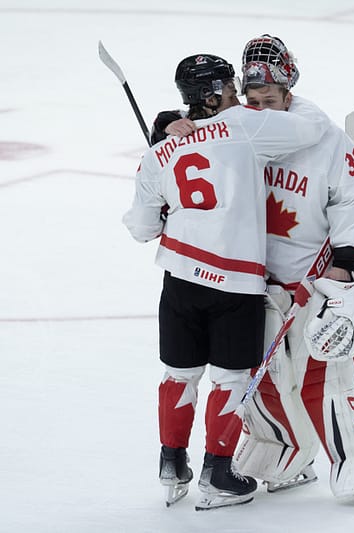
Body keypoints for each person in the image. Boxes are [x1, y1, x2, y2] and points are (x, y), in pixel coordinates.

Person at [162, 35, 354, 502]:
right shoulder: (240, 129)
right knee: (263, 379)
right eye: (253, 99)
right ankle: (281, 449)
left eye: (270, 99)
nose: (261, 106)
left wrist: (346, 267)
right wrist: (168, 125)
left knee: (329, 374)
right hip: (254, 284)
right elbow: (193, 158)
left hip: (317, 280)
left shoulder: (322, 135)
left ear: (289, 92)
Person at [122, 52, 327, 511]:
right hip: (235, 283)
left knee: (180, 373)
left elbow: (140, 228)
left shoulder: (160, 151)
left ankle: (171, 462)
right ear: (215, 94)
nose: (239, 95)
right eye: (232, 88)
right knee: (232, 378)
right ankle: (218, 473)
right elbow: (311, 129)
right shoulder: (244, 126)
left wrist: (166, 137)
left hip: (179, 280)